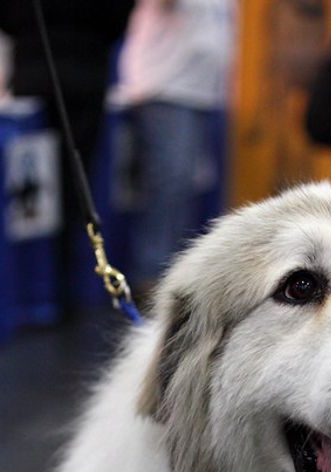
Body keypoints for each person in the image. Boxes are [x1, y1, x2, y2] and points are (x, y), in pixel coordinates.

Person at [0, 0, 135, 306]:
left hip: (35, 69)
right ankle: (61, 288)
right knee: (69, 187)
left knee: (34, 196)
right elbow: (118, 17)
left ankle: (36, 292)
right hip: (80, 71)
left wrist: (28, 30)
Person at [116, 0, 235, 300]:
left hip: (200, 92)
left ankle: (173, 272)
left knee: (186, 186)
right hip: (166, 87)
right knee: (170, 182)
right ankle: (150, 275)